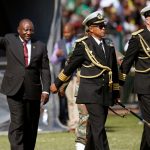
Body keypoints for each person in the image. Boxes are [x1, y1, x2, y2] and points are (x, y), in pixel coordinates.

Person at [50, 11, 120, 150]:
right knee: (99, 127)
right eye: (99, 26)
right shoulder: (83, 45)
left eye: (103, 25)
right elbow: (70, 67)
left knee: (95, 128)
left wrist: (116, 92)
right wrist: (57, 84)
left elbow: (113, 70)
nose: (103, 28)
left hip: (105, 92)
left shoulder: (109, 45)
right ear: (91, 29)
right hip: (90, 92)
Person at [0, 18, 51, 150]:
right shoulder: (9, 39)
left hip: (33, 91)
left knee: (31, 125)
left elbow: (45, 69)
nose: (29, 32)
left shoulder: (40, 45)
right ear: (19, 30)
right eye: (26, 29)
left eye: (31, 30)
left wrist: (46, 90)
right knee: (18, 123)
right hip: (14, 90)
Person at [119, 5, 150, 150]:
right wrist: (117, 86)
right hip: (145, 85)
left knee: (148, 123)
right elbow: (127, 63)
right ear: (147, 19)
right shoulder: (138, 37)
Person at [50, 23, 79, 130]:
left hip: (77, 75)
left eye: (68, 32)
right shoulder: (60, 43)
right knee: (70, 100)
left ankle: (78, 123)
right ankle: (72, 123)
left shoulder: (79, 42)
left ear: (73, 32)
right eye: (64, 33)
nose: (66, 34)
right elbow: (53, 60)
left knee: (77, 99)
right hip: (66, 77)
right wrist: (57, 55)